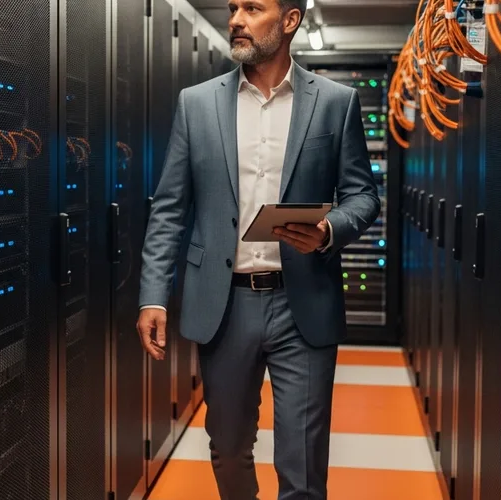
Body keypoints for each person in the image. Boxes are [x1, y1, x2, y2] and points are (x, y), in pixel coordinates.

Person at [135, 0, 381, 497]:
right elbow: (169, 208)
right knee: (227, 448)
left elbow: (362, 196)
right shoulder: (197, 104)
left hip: (303, 301)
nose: (236, 20)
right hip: (224, 304)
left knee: (304, 464)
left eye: (252, 8)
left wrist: (329, 229)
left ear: (289, 21)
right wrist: (153, 295)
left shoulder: (335, 102)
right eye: (233, 8)